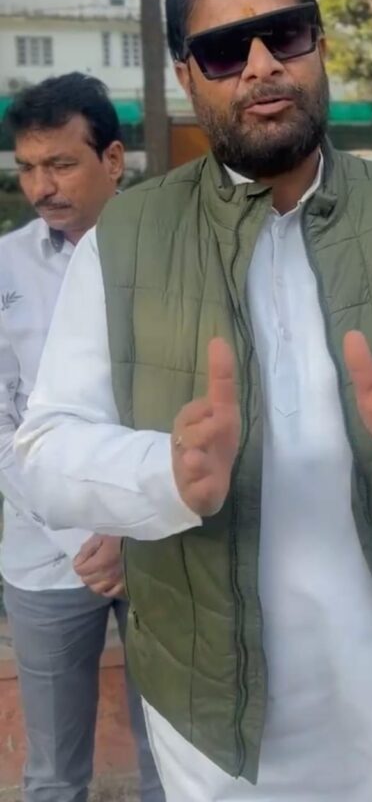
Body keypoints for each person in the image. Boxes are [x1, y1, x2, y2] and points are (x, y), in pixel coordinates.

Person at [16, 0, 372, 802]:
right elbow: (45, 450)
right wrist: (162, 471)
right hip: (220, 735)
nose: (262, 65)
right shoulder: (126, 238)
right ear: (187, 75)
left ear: (319, 46)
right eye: (226, 50)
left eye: (286, 34)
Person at [0, 74, 164, 802]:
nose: (42, 187)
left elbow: (184, 405)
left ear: (114, 160)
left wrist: (131, 527)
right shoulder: (5, 267)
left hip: (159, 545)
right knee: (53, 774)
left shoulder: (168, 254)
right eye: (28, 167)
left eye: (61, 164)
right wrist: (80, 537)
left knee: (174, 758)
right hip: (45, 557)